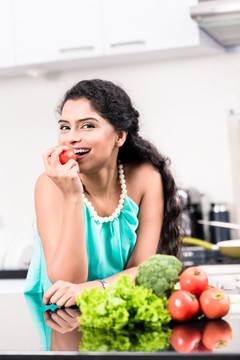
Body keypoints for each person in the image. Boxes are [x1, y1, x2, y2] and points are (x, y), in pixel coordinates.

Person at [24, 79, 181, 307]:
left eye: (87, 126)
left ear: (120, 136)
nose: (71, 137)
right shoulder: (50, 185)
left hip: (118, 306)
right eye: (65, 127)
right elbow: (67, 282)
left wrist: (95, 288)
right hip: (59, 315)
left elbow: (143, 271)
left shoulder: (146, 178)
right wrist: (72, 196)